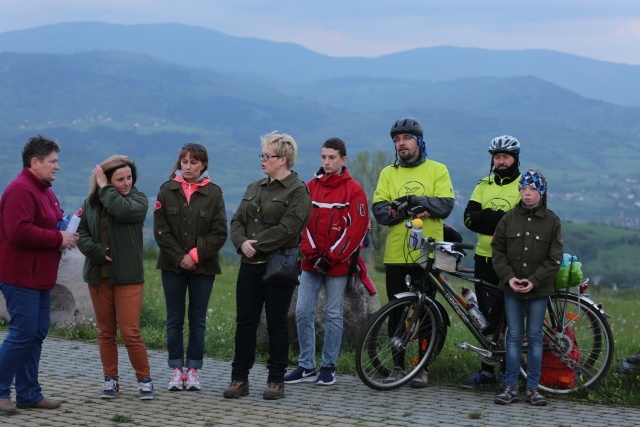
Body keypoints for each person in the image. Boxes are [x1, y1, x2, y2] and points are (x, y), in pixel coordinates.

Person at [223, 132, 311, 400]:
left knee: (276, 324)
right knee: (245, 323)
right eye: (262, 155)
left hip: (279, 266)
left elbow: (288, 230)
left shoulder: (298, 190)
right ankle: (239, 379)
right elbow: (237, 220)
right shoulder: (255, 187)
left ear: (283, 159)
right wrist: (241, 243)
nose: (262, 160)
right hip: (250, 264)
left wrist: (256, 244)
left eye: (267, 156)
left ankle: (276, 380)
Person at [372, 117, 455, 388]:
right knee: (396, 313)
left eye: (406, 138)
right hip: (397, 254)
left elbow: (444, 206)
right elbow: (382, 212)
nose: (401, 143)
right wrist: (413, 209)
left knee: (426, 312)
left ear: (419, 141)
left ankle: (421, 367)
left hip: (427, 255)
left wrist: (409, 202)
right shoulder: (388, 173)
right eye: (396, 140)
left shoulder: (438, 170)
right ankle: (397, 366)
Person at [0, 135, 78, 415]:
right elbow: (18, 231)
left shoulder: (45, 189)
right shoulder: (21, 190)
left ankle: (29, 394)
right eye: (53, 161)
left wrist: (65, 229)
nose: (57, 167)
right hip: (21, 276)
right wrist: (58, 237)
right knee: (22, 334)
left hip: (41, 276)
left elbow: (49, 221)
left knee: (35, 334)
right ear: (35, 162)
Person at [284, 138, 368, 386]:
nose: (327, 162)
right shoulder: (310, 186)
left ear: (344, 159)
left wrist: (331, 257)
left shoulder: (354, 190)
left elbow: (357, 229)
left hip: (337, 265)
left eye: (332, 157)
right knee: (302, 312)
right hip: (311, 263)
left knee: (333, 314)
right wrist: (312, 255)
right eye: (323, 157)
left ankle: (328, 366)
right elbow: (302, 224)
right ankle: (306, 365)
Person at [77, 155, 155, 400]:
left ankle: (144, 380)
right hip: (98, 277)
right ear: (106, 179)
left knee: (131, 332)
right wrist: (96, 251)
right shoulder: (91, 203)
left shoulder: (137, 200)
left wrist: (105, 188)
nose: (126, 183)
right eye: (119, 179)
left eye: (129, 177)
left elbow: (120, 209)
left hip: (128, 278)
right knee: (106, 332)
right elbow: (82, 232)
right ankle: (110, 380)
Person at [154, 143, 227, 391]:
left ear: (203, 165)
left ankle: (193, 370)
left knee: (197, 319)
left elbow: (219, 233)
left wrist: (194, 256)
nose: (188, 167)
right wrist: (179, 257)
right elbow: (161, 231)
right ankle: (176, 369)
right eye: (184, 162)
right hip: (172, 266)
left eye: (194, 162)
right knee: (174, 319)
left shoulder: (214, 193)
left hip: (203, 268)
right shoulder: (166, 190)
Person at [492, 169, 563, 406]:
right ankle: (510, 387)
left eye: (532, 189)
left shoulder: (552, 221)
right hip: (511, 287)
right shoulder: (508, 218)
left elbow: (554, 259)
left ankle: (533, 389)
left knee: (534, 337)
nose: (527, 194)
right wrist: (509, 277)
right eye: (523, 189)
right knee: (513, 336)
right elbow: (498, 251)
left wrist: (534, 280)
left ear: (541, 192)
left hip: (539, 290)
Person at [460, 135, 522, 389]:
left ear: (515, 158)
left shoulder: (523, 185)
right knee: (486, 320)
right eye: (497, 157)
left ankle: (510, 375)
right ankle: (486, 373)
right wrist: (499, 219)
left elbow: (520, 223)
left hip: (511, 261)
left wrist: (487, 217)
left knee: (509, 318)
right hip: (483, 259)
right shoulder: (483, 184)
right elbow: (468, 219)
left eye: (506, 156)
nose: (501, 161)